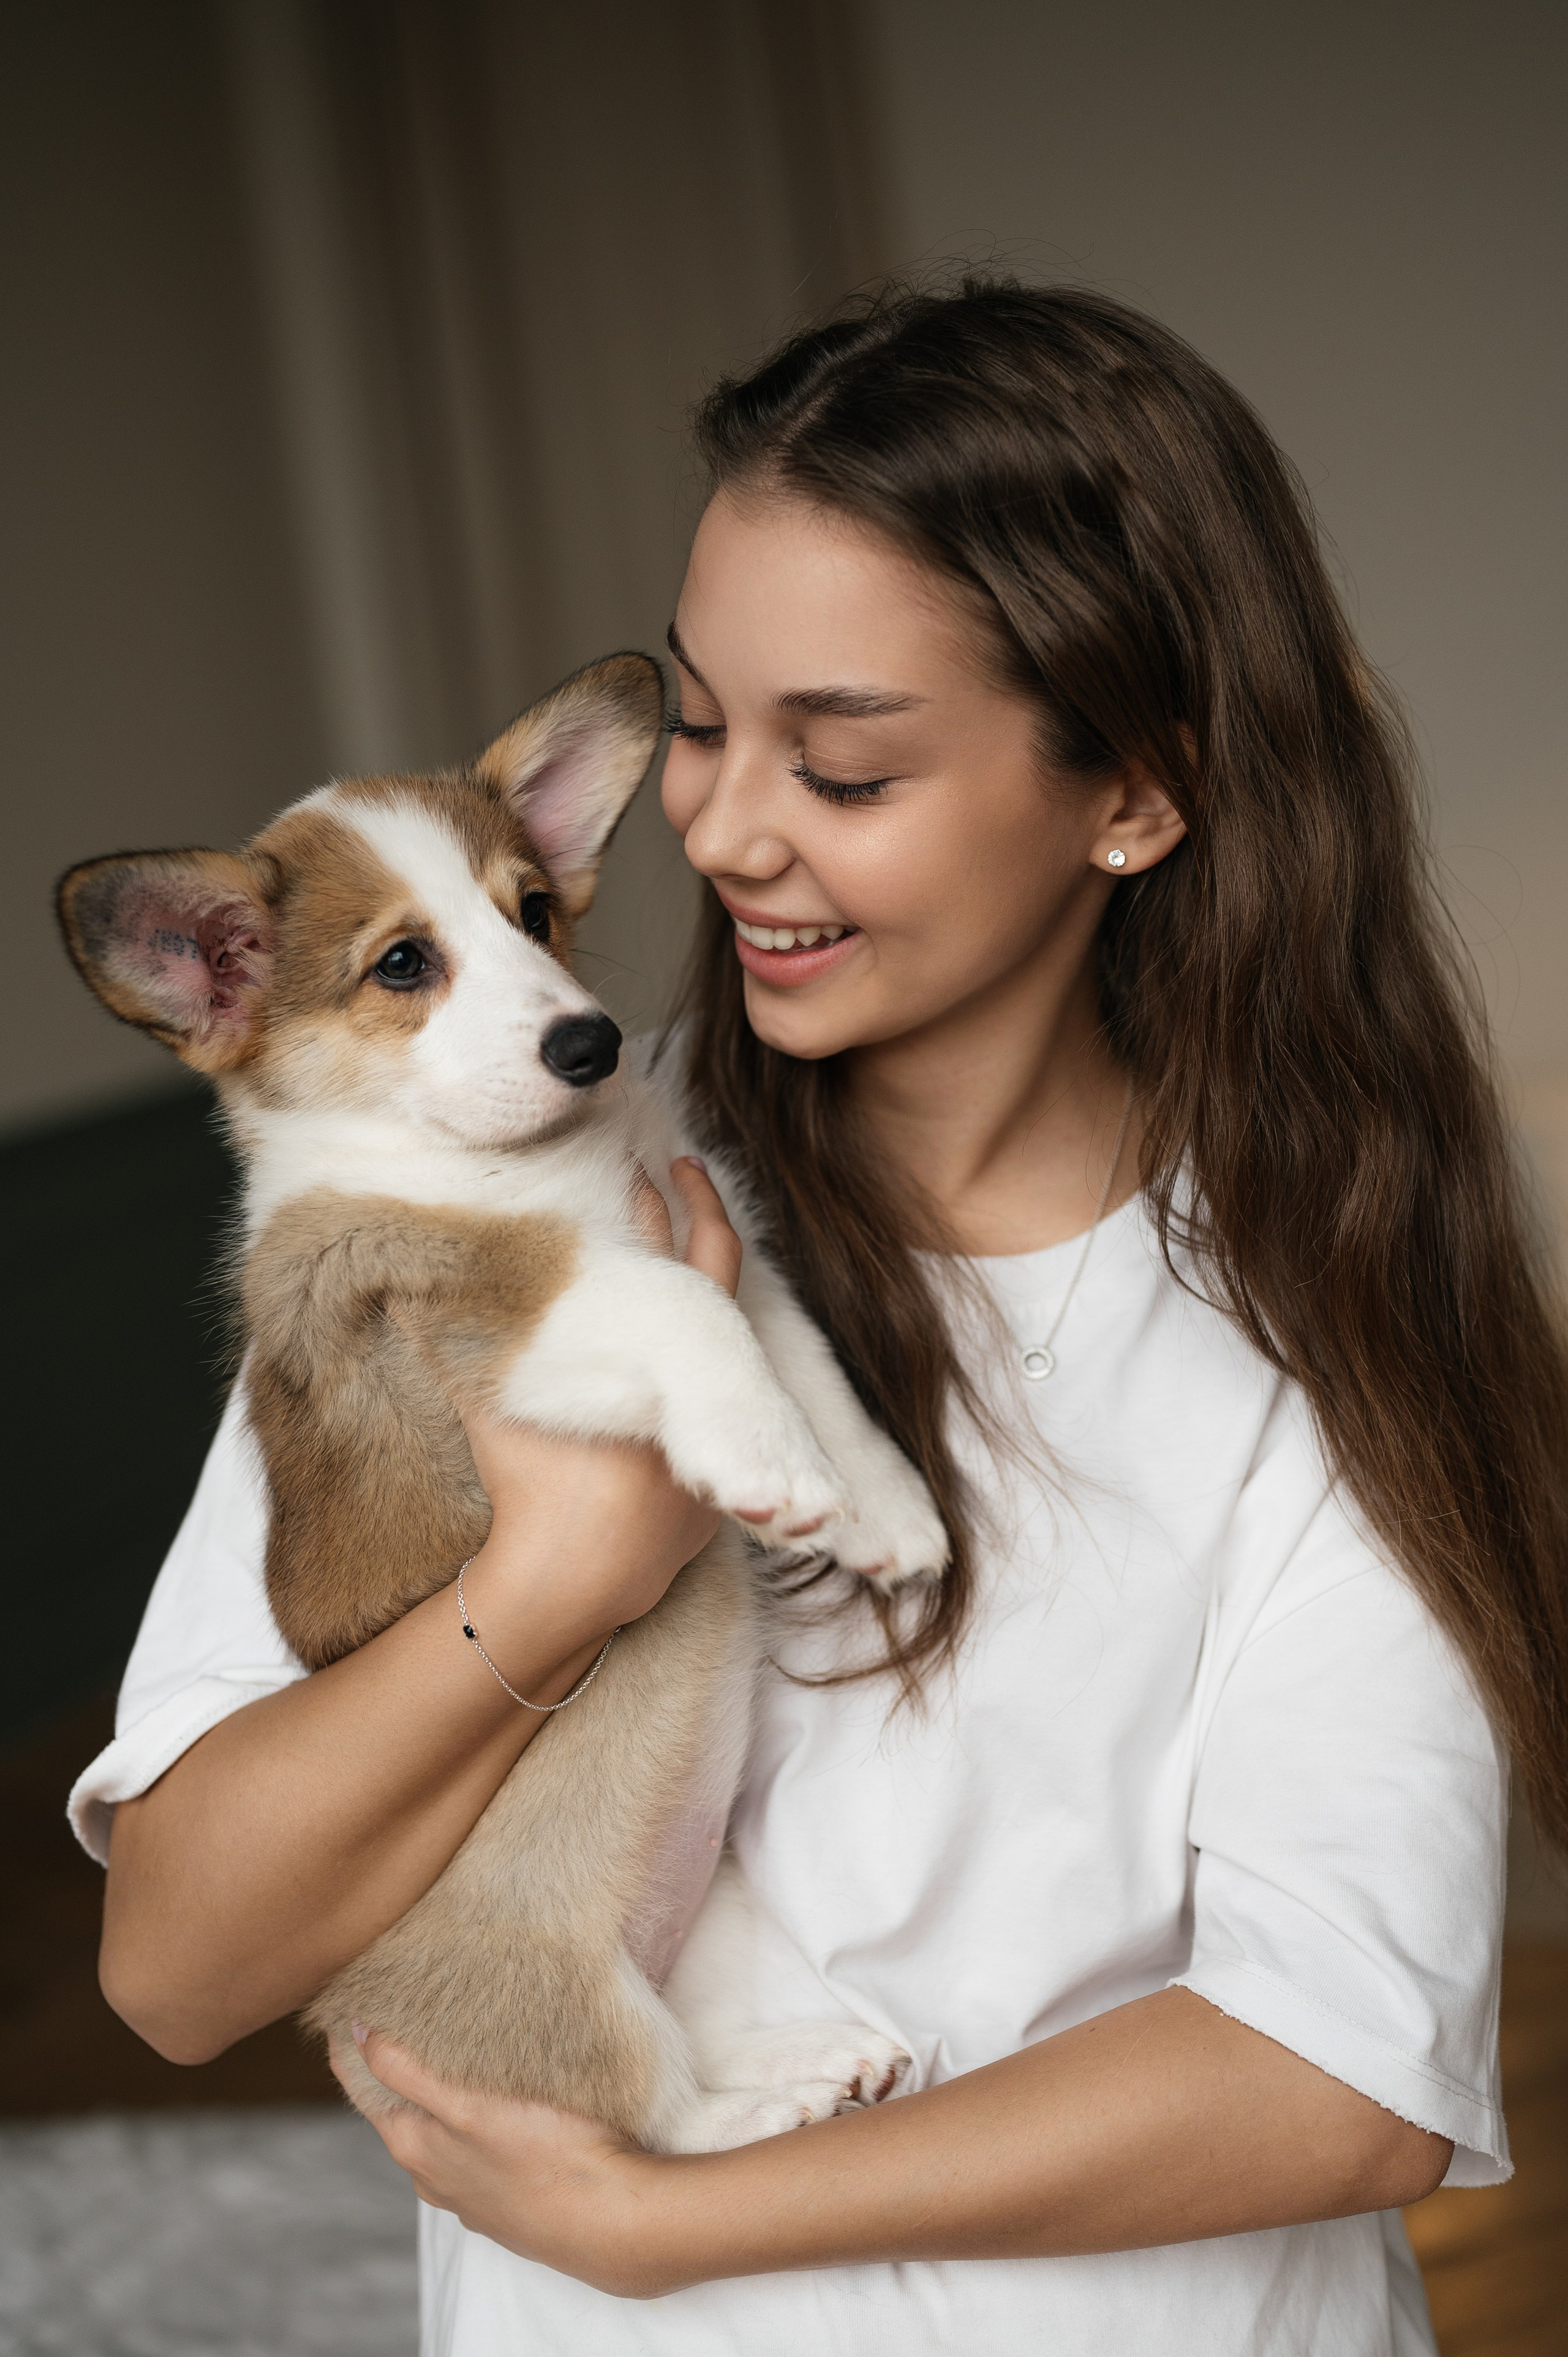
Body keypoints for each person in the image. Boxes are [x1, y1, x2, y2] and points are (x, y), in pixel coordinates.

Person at [70, 279, 1568, 2356]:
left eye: (842, 769)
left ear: (1133, 793)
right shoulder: (486, 1170)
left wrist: (682, 2220)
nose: (718, 826)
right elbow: (176, 1966)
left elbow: (1342, 2075)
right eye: (697, 723)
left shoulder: (1324, 1311)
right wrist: (566, 1575)